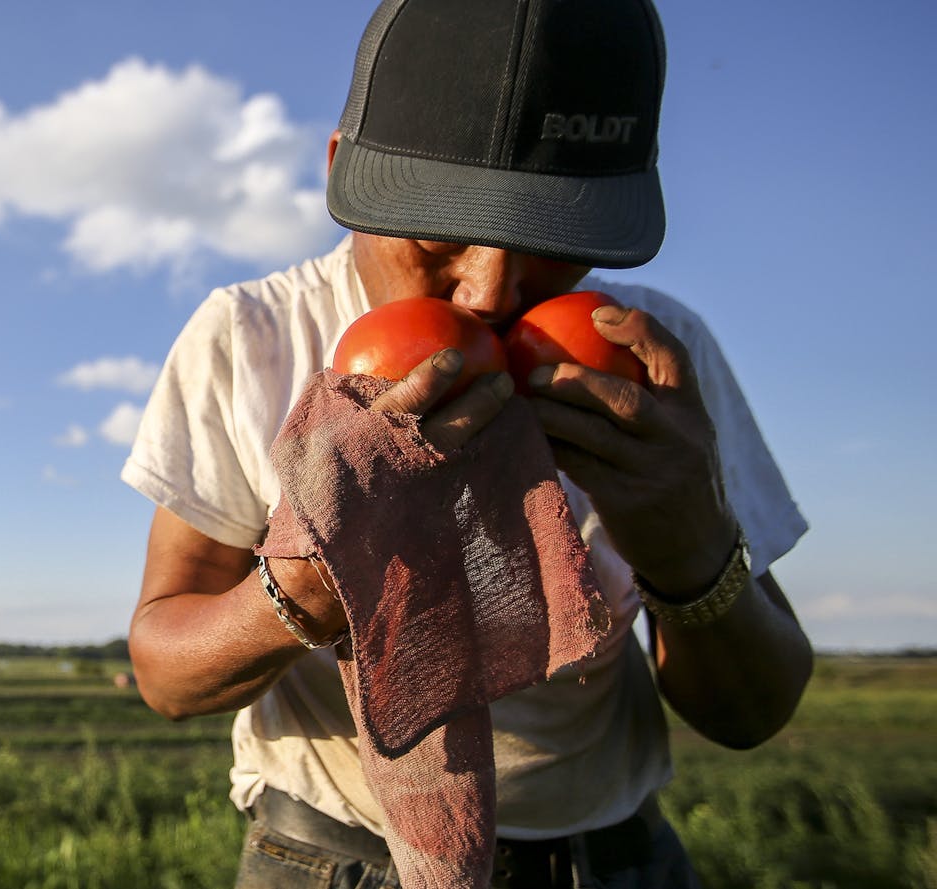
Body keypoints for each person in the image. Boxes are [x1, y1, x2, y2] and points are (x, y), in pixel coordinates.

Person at [121, 0, 813, 887]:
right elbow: (167, 675)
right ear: (345, 174)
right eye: (438, 233)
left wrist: (691, 551)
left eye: (549, 242)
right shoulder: (253, 337)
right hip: (333, 857)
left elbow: (754, 709)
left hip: (610, 859)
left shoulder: (647, 364)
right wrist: (305, 585)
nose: (490, 292)